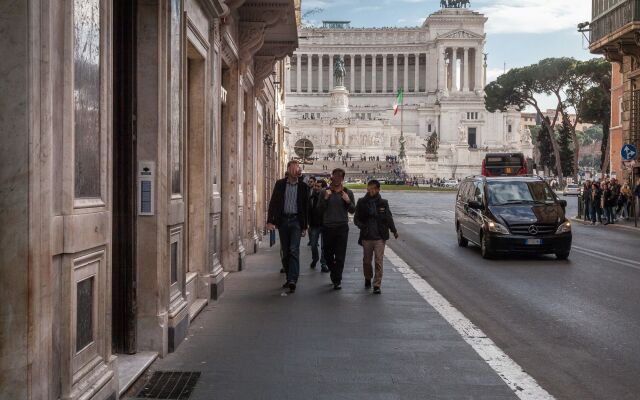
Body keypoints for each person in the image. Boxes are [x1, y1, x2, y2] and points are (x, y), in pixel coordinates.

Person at [266, 160, 309, 293]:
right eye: (295, 168)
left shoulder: (303, 187)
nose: (297, 170)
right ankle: (289, 276)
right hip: (283, 220)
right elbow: (273, 203)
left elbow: (306, 207)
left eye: (298, 168)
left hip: (296, 220)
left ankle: (292, 280)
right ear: (288, 169)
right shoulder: (280, 184)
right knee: (285, 252)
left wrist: (305, 226)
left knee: (293, 249)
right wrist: (270, 221)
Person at [354, 180, 398, 294]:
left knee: (379, 261)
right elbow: (356, 218)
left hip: (379, 236)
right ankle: (368, 277)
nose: (371, 190)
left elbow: (389, 218)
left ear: (378, 189)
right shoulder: (361, 202)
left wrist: (394, 230)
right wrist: (362, 226)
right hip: (367, 236)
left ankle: (377, 284)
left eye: (373, 188)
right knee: (367, 261)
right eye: (369, 188)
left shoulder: (383, 203)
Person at [318, 168, 356, 290]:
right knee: (328, 254)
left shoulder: (347, 192)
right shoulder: (324, 191)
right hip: (328, 227)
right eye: (335, 176)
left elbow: (352, 210)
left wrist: (348, 201)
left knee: (340, 256)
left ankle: (337, 279)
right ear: (332, 177)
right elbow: (319, 209)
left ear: (342, 178)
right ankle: (334, 273)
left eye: (340, 176)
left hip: (342, 227)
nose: (337, 178)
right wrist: (325, 198)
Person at [308, 179, 329, 272]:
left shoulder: (327, 198)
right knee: (313, 244)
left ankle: (323, 264)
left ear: (323, 188)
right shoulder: (311, 197)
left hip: (325, 224)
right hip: (314, 225)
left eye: (318, 186)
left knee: (324, 246)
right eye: (315, 186)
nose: (316, 188)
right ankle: (315, 258)